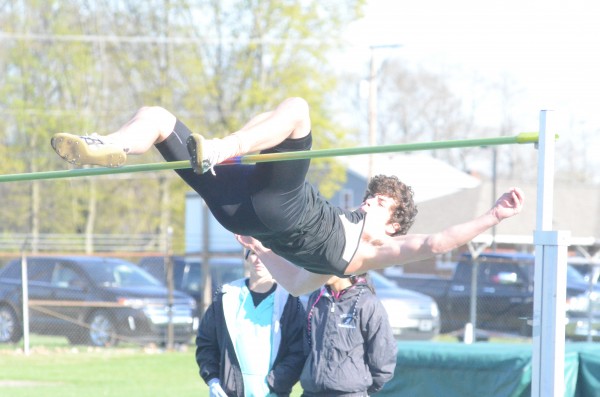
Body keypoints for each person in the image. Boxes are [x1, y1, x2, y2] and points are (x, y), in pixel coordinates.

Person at [50, 97, 525, 295]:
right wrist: (261, 249)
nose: (368, 202)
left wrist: (492, 216)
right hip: (240, 213)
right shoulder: (335, 263)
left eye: (381, 204)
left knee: (298, 109)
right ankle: (110, 145)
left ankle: (223, 146)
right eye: (372, 195)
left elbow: (438, 243)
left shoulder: (375, 249)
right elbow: (296, 285)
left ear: (395, 225)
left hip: (281, 205)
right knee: (157, 117)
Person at [195, 248, 306, 397]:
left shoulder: (289, 301)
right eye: (254, 253)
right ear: (246, 256)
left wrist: (276, 382)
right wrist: (213, 379)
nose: (259, 259)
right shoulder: (226, 296)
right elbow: (206, 343)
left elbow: (299, 350)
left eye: (266, 255)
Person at [300, 273, 397, 397]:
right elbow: (306, 346)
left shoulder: (368, 303)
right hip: (311, 392)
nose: (322, 270)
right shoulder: (316, 299)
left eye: (328, 265)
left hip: (349, 393)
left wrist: (361, 387)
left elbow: (383, 353)